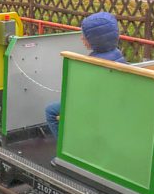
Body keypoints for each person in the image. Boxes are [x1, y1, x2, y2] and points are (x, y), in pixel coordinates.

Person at [46, 11, 127, 167]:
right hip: (111, 107)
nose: (82, 38)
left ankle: (67, 153)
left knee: (51, 111)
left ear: (95, 40)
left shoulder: (91, 65)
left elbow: (81, 97)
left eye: (85, 36)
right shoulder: (118, 56)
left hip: (95, 110)